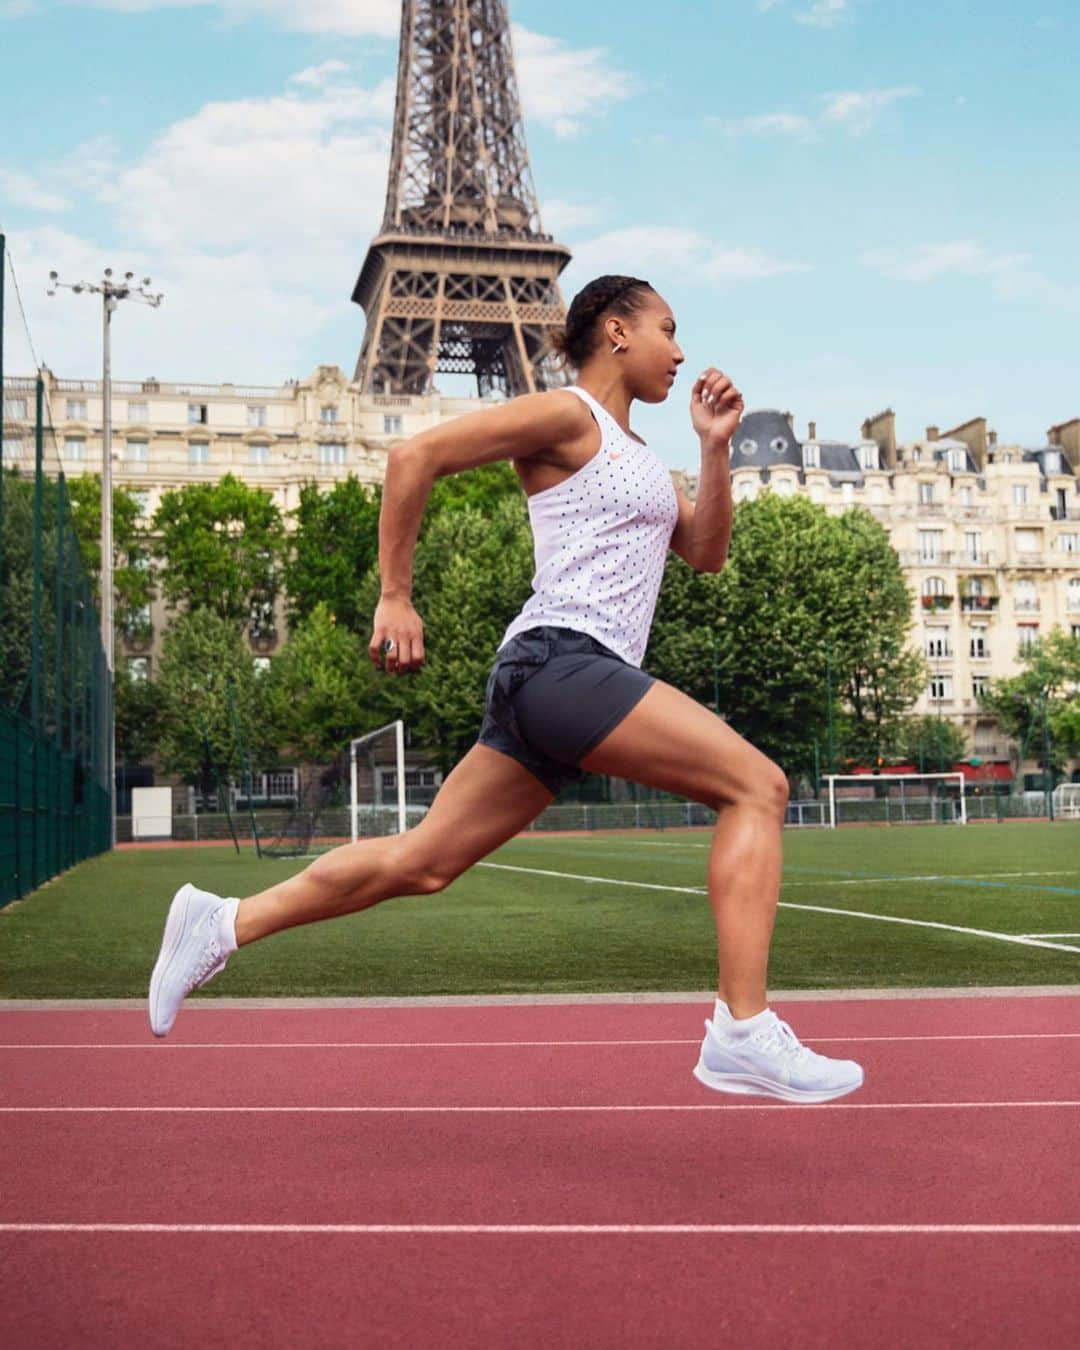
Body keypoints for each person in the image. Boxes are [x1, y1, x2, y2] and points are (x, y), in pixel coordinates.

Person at [148, 274, 863, 1103]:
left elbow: (703, 551)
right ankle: (741, 1030)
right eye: (669, 328)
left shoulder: (642, 460)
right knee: (759, 786)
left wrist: (712, 447)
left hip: (559, 679)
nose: (681, 350)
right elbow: (416, 454)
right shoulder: (569, 415)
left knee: (422, 863)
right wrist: (395, 593)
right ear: (618, 332)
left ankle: (221, 923)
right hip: (565, 660)